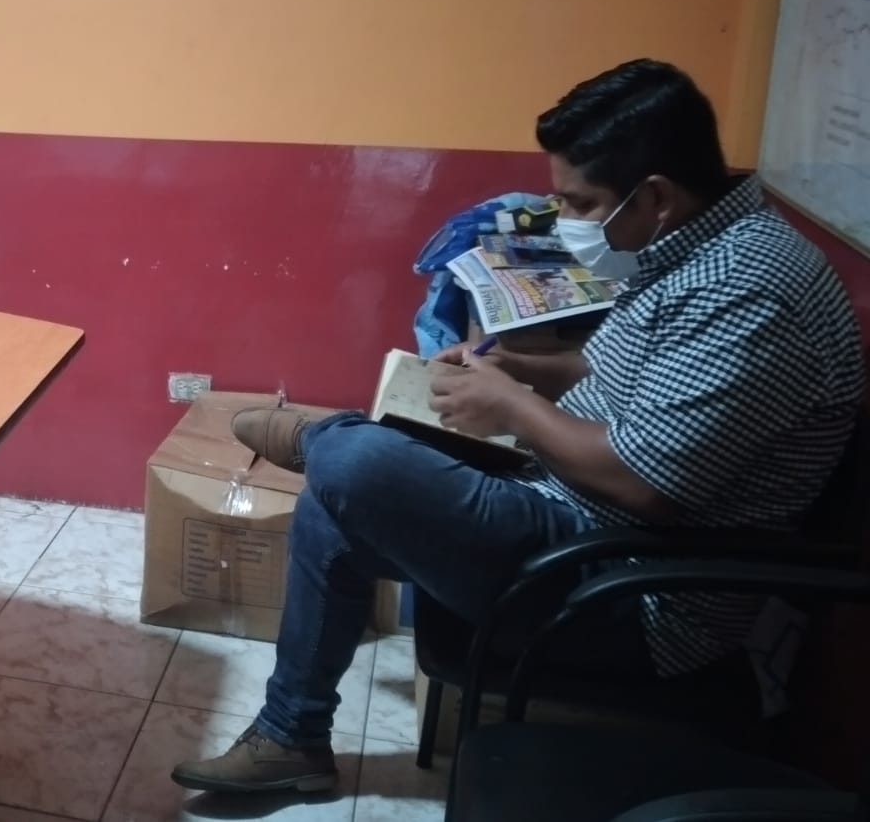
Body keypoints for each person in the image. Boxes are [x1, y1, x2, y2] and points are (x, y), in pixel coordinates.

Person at [172, 58, 866, 794]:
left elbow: (645, 485)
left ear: (656, 196)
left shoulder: (749, 290)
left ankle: (319, 438)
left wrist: (511, 407)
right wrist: (523, 370)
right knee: (333, 508)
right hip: (578, 521)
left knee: (356, 466)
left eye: (581, 202)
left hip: (632, 589)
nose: (564, 218)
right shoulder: (694, 249)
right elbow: (625, 377)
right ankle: (292, 739)